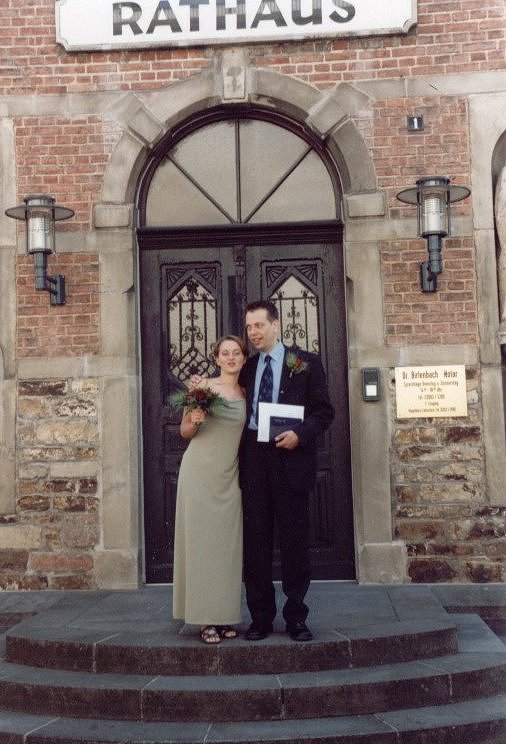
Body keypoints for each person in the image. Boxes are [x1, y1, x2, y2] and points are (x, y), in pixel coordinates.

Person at [239, 300, 334, 642]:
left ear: (275, 325)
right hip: (255, 460)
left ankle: (296, 617)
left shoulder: (306, 364)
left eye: (259, 325)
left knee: (295, 544)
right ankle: (261, 618)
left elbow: (324, 413)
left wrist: (300, 435)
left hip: (291, 459)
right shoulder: (248, 368)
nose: (254, 333)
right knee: (256, 544)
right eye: (249, 327)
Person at [172, 335, 248, 644]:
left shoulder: (245, 392)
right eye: (224, 353)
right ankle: (205, 620)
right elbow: (185, 431)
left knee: (226, 549)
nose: (230, 358)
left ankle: (224, 615)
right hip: (199, 474)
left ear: (244, 358)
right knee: (202, 546)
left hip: (229, 478)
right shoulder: (202, 387)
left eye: (236, 353)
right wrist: (195, 420)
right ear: (216, 358)